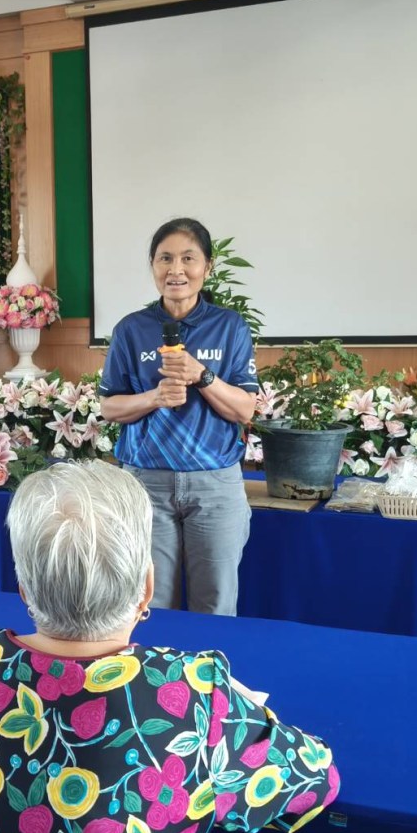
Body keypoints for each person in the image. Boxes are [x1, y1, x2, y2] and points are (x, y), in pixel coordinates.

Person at [0, 462, 338, 833]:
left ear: (25, 589)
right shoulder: (193, 688)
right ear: (148, 586)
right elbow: (316, 783)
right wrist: (237, 711)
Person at [100, 217, 258, 615]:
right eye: (164, 258)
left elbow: (244, 408)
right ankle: (158, 678)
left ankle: (209, 677)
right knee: (150, 602)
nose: (176, 270)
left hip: (215, 485)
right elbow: (109, 407)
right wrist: (153, 396)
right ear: (152, 266)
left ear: (207, 266)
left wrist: (201, 375)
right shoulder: (131, 330)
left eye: (188, 258)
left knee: (216, 603)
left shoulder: (229, 327)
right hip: (146, 484)